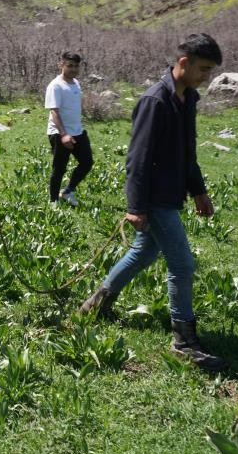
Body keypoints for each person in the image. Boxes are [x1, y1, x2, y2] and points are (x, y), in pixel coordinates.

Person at [79, 33, 228, 372]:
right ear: (184, 62)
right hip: (155, 199)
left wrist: (198, 190)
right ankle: (183, 341)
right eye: (204, 69)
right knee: (183, 266)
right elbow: (138, 159)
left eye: (211, 71)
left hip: (172, 194)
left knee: (143, 253)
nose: (207, 77)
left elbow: (187, 152)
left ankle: (96, 304)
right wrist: (135, 207)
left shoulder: (187, 98)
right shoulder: (155, 101)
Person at [45, 51, 93, 206]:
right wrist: (63, 135)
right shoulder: (55, 86)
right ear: (62, 65)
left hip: (78, 132)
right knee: (59, 168)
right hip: (60, 133)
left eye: (76, 66)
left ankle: (67, 191)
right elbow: (54, 111)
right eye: (70, 66)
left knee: (87, 162)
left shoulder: (76, 83)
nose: (73, 69)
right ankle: (53, 201)